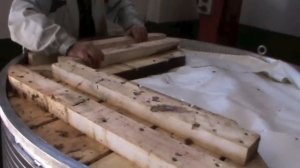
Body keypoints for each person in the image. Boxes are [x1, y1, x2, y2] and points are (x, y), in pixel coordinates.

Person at [8, 0, 148, 68]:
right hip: (51, 62)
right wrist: (67, 44)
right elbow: (21, 17)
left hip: (95, 59)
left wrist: (132, 22)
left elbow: (119, 4)